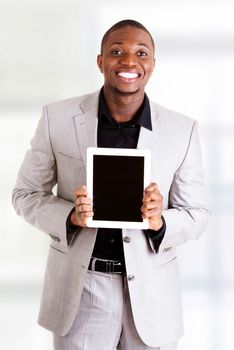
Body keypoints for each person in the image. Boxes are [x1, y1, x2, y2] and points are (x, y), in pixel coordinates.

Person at [12, 19, 209, 350]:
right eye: (117, 51)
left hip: (151, 297)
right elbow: (25, 195)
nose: (129, 61)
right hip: (81, 290)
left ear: (153, 64)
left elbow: (197, 213)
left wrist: (161, 221)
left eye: (140, 53)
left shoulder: (182, 130)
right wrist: (70, 216)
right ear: (101, 61)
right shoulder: (56, 118)